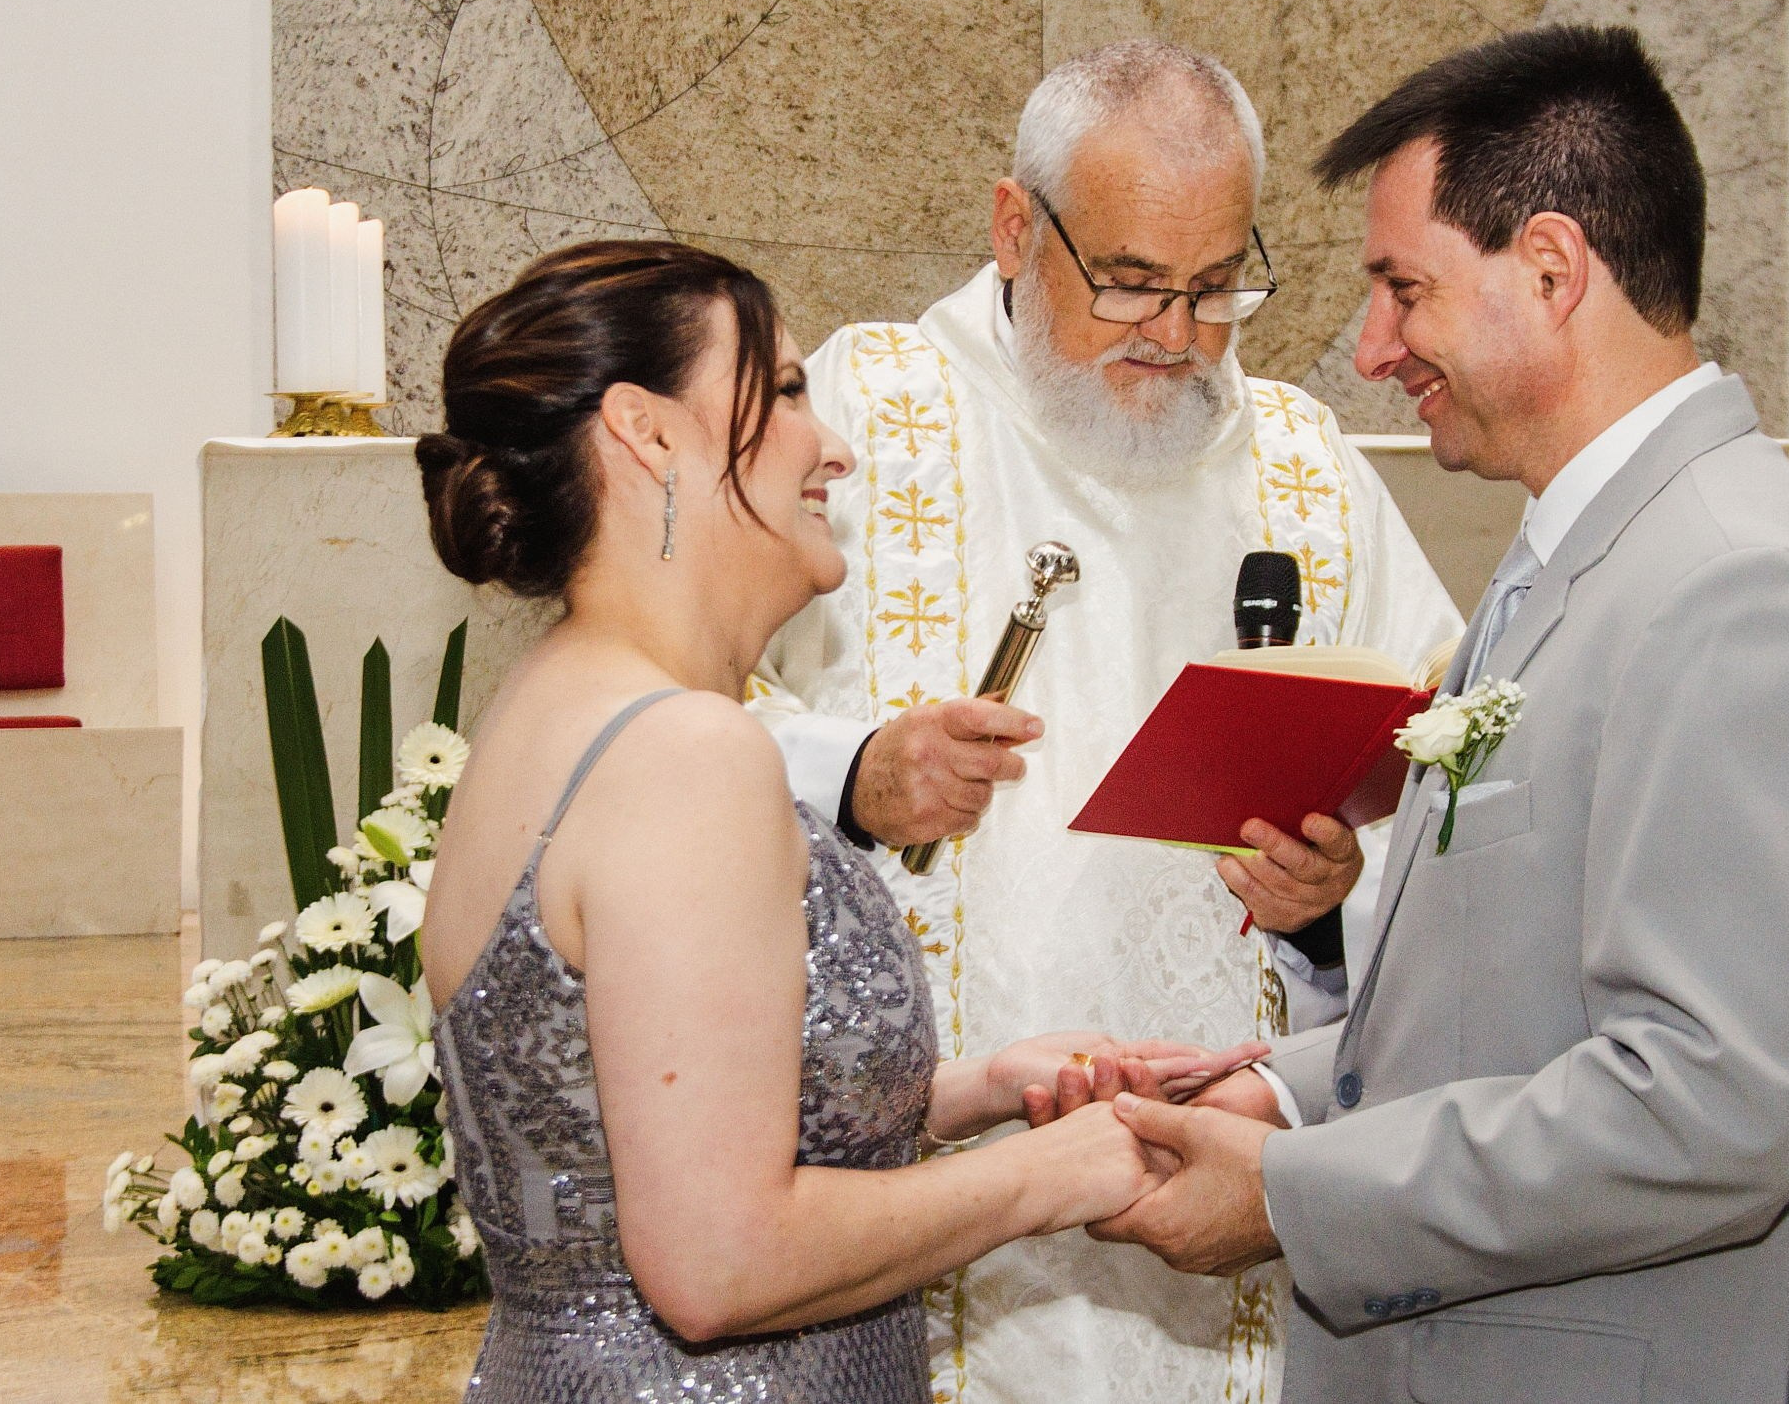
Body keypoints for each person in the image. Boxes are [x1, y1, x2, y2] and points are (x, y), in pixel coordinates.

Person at [1067, 25, 1789, 1404]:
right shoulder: (1585, 554)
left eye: (1403, 289)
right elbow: (1510, 1011)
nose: (1371, 348)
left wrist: (1291, 1191)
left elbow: (1711, 1104)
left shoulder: (1741, 586)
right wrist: (1279, 1089)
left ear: (1551, 267)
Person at [414, 240, 1263, 1400]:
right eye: (785, 391)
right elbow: (717, 1264)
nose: (835, 447)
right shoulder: (685, 753)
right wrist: (1061, 1171)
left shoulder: (552, 703)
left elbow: (638, 1117)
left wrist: (980, 1089)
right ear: (646, 432)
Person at [752, 40, 1461, 1404]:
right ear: (1015, 228)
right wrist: (858, 769)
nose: (1176, 334)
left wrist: (1330, 905)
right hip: (925, 1192)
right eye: (1130, 280)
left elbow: (1454, 803)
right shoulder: (861, 411)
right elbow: (668, 711)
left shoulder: (1307, 469)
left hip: (1225, 1201)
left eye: (1216, 285)